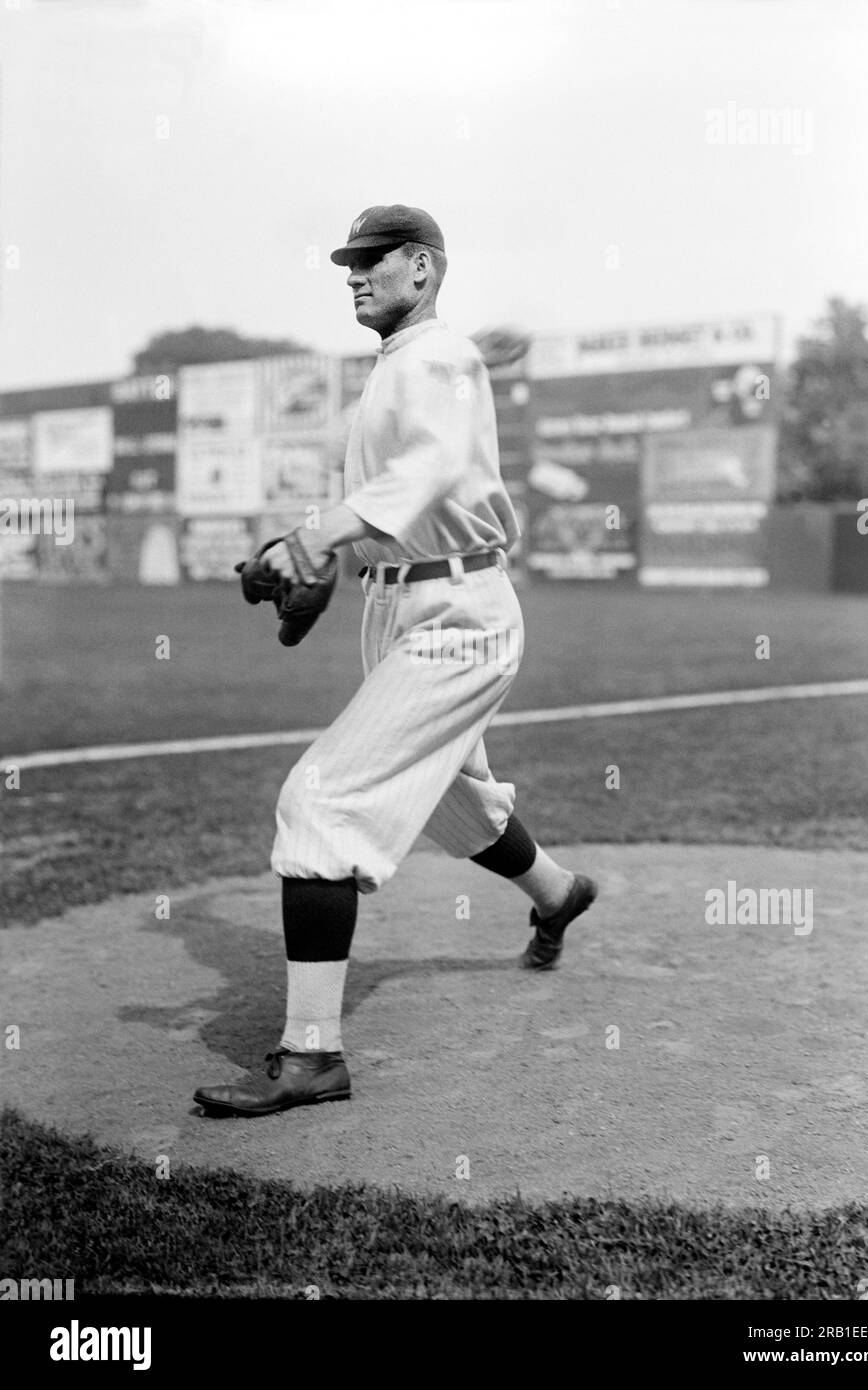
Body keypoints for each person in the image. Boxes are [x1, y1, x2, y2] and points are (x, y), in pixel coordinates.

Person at [194, 205, 598, 1118]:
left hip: (456, 613)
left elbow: (434, 466)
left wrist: (317, 533)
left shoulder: (440, 360)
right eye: (349, 263)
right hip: (404, 604)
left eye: (374, 261)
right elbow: (418, 439)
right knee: (454, 799)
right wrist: (322, 553)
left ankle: (313, 1056)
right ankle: (560, 893)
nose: (354, 274)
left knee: (323, 802)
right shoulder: (419, 361)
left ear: (422, 267)